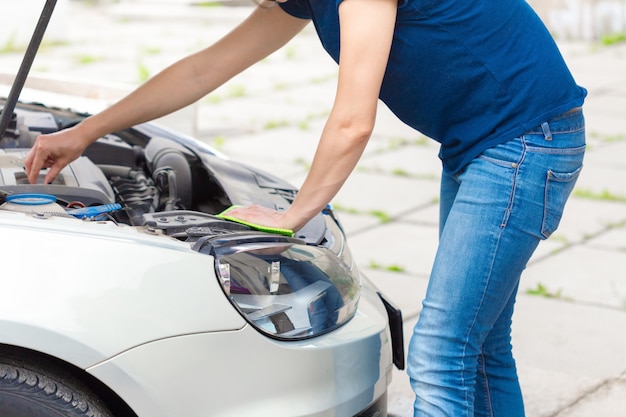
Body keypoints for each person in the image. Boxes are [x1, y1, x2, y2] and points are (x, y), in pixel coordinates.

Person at [24, 0, 586, 415]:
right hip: (488, 145)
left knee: (442, 352)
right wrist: (87, 131)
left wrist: (293, 216)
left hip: (524, 147)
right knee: (481, 347)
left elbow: (352, 120)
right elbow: (205, 68)